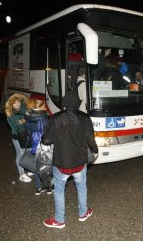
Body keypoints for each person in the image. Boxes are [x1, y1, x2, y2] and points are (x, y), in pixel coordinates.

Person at [41, 90, 99, 229]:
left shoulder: (56, 118)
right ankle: (83, 213)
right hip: (80, 162)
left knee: (59, 191)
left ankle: (60, 220)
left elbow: (47, 140)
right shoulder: (85, 118)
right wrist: (95, 152)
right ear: (78, 103)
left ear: (64, 103)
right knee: (81, 187)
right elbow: (90, 139)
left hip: (62, 163)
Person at [24, 98, 52, 195]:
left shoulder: (28, 117)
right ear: (40, 107)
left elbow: (28, 132)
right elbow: (49, 133)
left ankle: (38, 188)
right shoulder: (43, 118)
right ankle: (49, 188)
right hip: (45, 146)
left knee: (36, 167)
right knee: (48, 166)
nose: (45, 108)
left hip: (34, 145)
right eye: (44, 106)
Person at [4, 93, 32, 183]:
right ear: (11, 104)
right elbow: (15, 126)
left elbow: (31, 117)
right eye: (15, 103)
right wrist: (25, 120)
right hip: (17, 136)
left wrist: (24, 120)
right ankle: (21, 174)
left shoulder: (25, 109)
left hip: (27, 134)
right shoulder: (10, 114)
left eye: (18, 102)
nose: (18, 104)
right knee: (20, 153)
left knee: (29, 152)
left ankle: (30, 168)